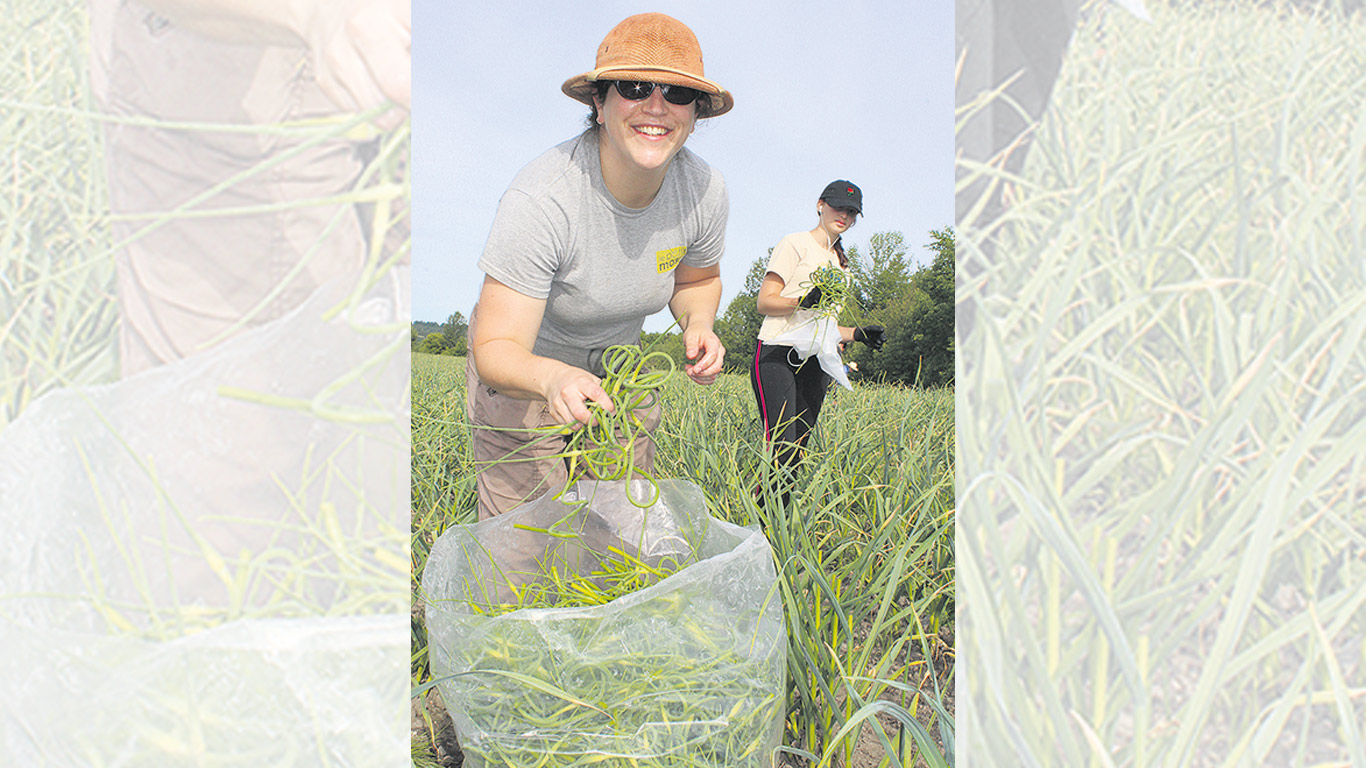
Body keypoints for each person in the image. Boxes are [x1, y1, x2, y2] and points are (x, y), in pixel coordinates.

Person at [467, 13, 731, 520]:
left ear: (696, 113)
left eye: (677, 94)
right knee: (527, 533)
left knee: (618, 519)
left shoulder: (703, 191)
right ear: (599, 103)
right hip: (529, 366)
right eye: (634, 87)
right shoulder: (545, 198)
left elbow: (698, 278)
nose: (656, 107)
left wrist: (699, 324)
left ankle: (607, 599)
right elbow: (497, 348)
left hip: (617, 368)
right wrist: (551, 381)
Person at [90, 0, 411, 376]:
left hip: (401, 50)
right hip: (229, 49)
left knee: (381, 361)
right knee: (235, 397)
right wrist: (315, 12)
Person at [751, 180, 885, 499]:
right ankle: (760, 522)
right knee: (781, 444)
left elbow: (826, 325)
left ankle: (777, 529)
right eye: (839, 207)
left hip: (816, 361)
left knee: (798, 450)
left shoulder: (842, 265)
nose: (844, 215)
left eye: (852, 212)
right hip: (777, 353)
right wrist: (802, 301)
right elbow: (765, 301)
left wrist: (859, 335)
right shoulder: (795, 243)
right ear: (820, 205)